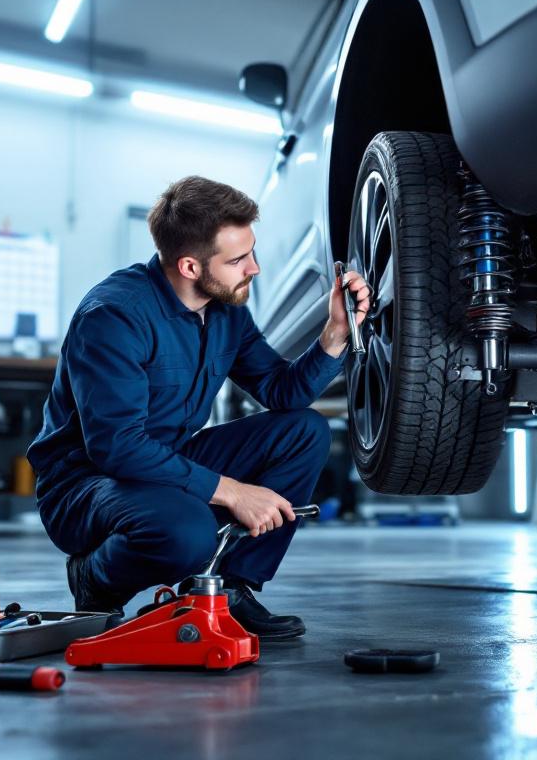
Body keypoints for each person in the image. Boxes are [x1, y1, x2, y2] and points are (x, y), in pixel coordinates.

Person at [27, 175, 370, 640]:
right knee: (188, 534)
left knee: (304, 431)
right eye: (238, 259)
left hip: (163, 464)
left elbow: (281, 391)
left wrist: (334, 335)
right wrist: (231, 491)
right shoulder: (113, 316)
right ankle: (94, 579)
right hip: (86, 485)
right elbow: (118, 448)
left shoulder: (227, 310)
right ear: (190, 266)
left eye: (251, 251)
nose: (255, 268)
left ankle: (228, 588)